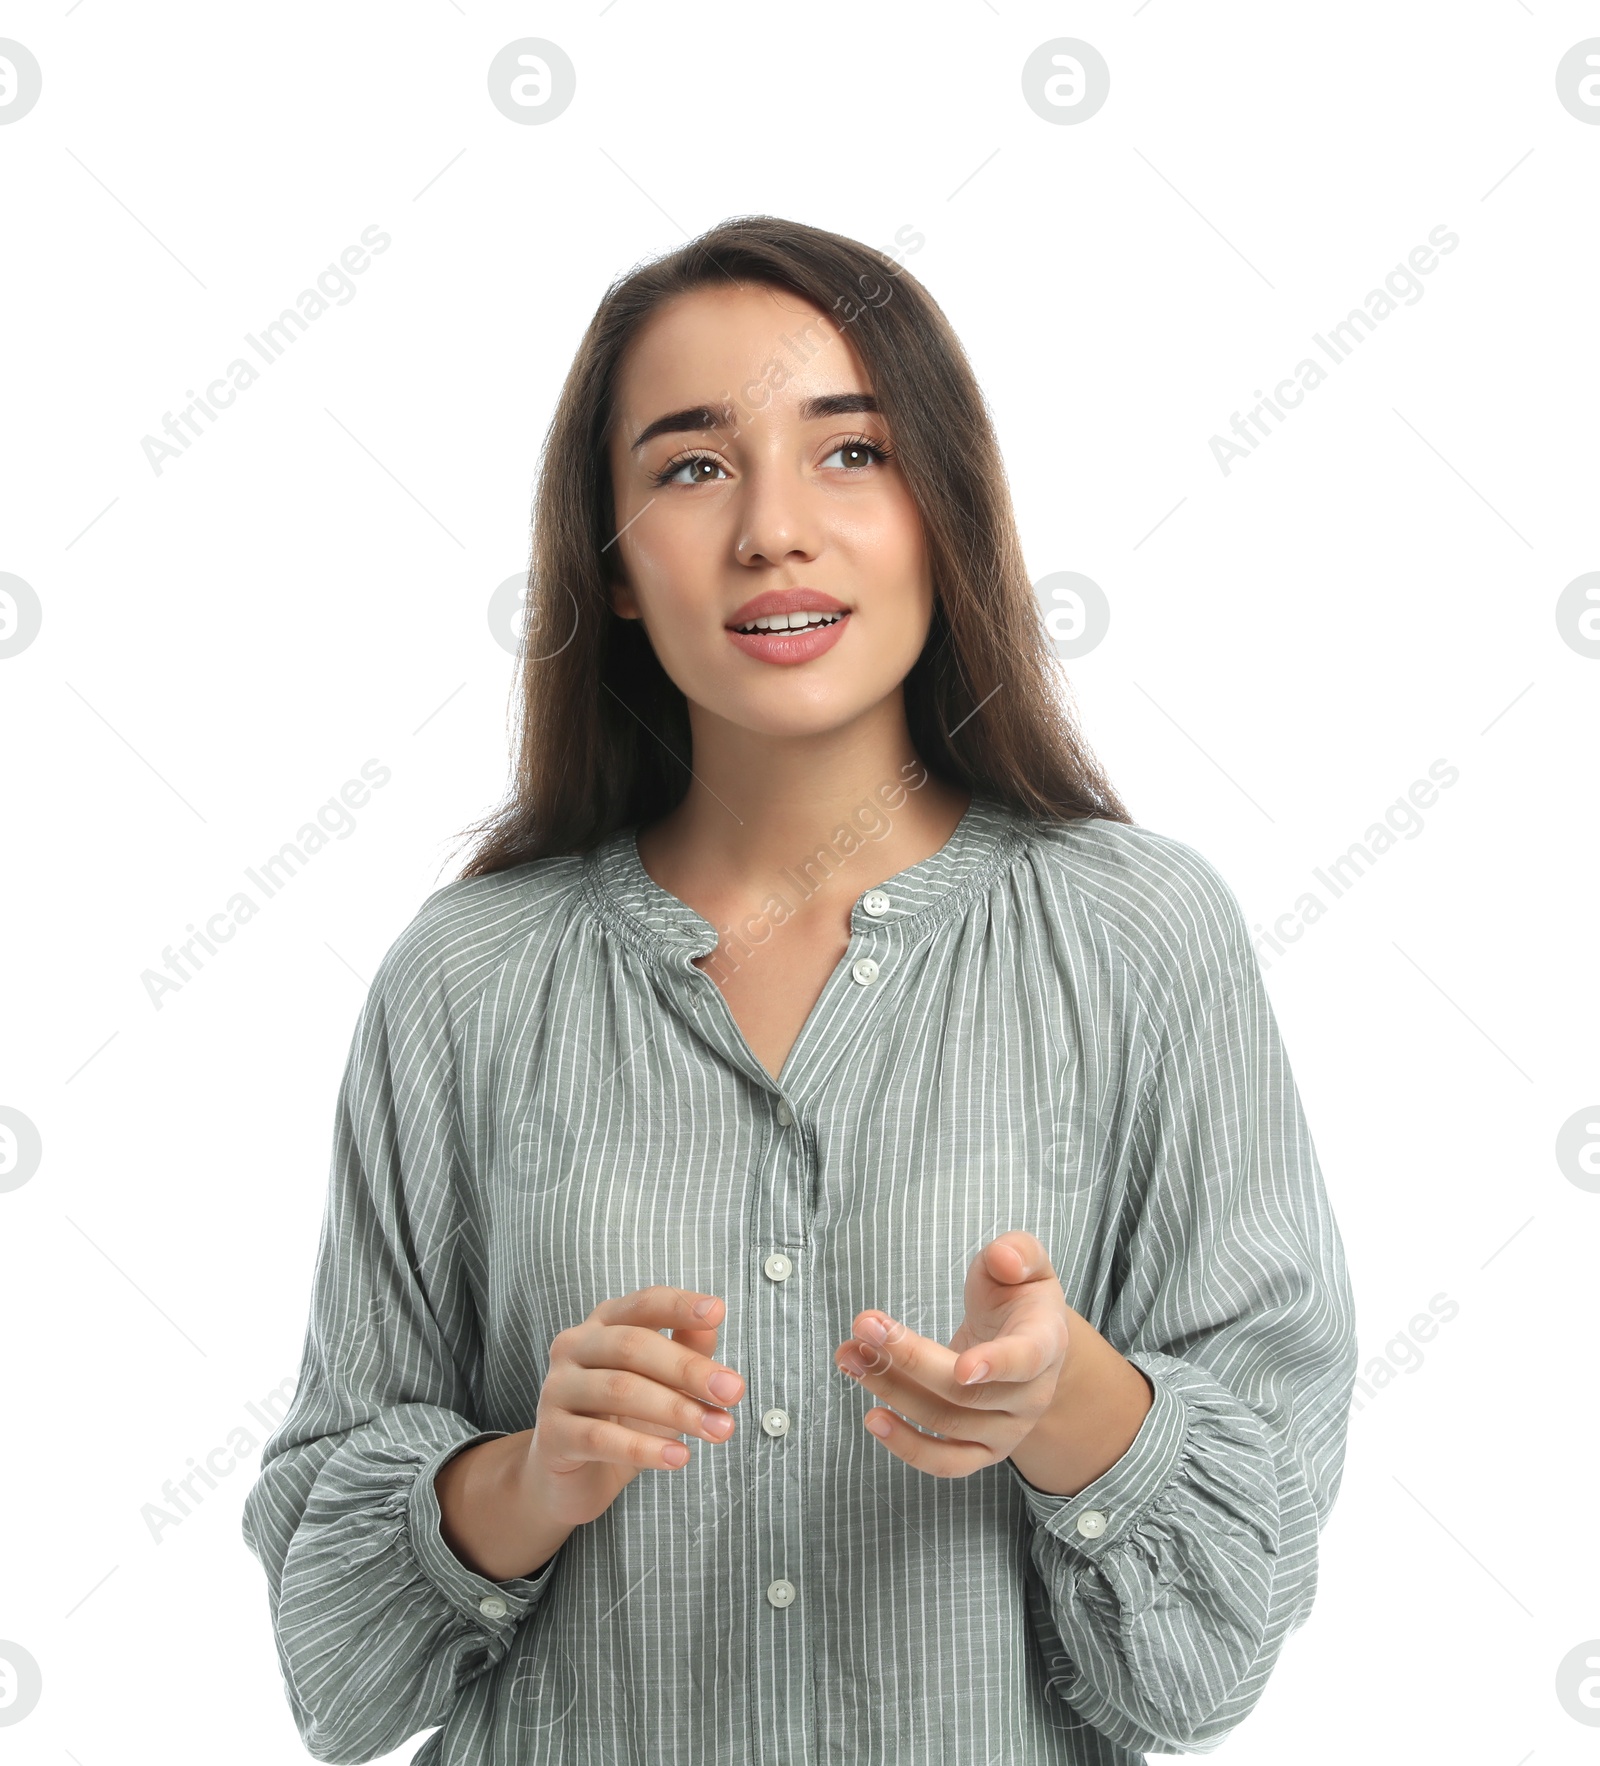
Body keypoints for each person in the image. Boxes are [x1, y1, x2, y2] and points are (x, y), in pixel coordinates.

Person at [241, 214, 1357, 1765]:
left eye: (851, 453)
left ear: (941, 512)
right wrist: (531, 1476)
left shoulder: (1143, 940)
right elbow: (335, 1663)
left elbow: (1216, 1652)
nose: (774, 529)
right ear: (616, 565)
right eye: (692, 467)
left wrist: (1069, 1403)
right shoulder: (465, 980)